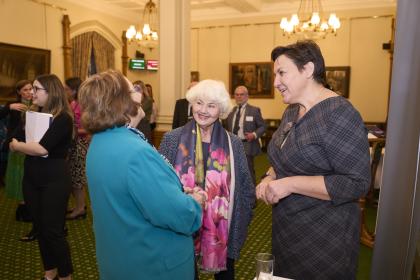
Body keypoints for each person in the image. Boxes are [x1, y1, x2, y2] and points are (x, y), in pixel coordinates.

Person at [256, 40, 371, 279]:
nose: (276, 82)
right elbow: (285, 158)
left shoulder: (340, 114)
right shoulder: (292, 110)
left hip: (324, 240)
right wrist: (270, 176)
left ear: (307, 69)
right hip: (287, 231)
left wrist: (288, 184)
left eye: (281, 73)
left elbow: (356, 183)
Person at [78, 70, 203, 280]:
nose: (140, 93)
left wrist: (175, 192)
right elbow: (181, 217)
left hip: (121, 258)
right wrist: (195, 202)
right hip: (152, 264)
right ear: (121, 101)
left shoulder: (101, 142)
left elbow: (132, 196)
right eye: (133, 89)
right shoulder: (135, 153)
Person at [159, 79, 255, 280]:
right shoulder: (172, 138)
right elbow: (159, 185)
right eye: (199, 102)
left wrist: (241, 221)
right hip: (181, 227)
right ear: (191, 104)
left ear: (220, 110)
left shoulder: (234, 143)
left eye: (211, 106)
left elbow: (246, 188)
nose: (203, 110)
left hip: (222, 230)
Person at [10, 74, 74, 280]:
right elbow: (11, 141)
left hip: (54, 179)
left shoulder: (63, 117)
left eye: (36, 89)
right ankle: (50, 272)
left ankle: (65, 276)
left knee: (53, 231)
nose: (32, 93)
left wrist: (20, 146)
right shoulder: (33, 114)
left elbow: (40, 148)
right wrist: (20, 145)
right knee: (40, 228)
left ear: (50, 91)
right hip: (31, 178)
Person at [0, 80, 33, 223]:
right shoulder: (13, 105)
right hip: (16, 145)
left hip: (31, 146)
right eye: (25, 90)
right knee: (20, 177)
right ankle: (22, 210)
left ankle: (25, 208)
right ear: (19, 92)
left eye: (31, 89)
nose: (29, 92)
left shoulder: (37, 105)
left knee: (28, 177)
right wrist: (9, 107)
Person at [225, 85, 266, 184]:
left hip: (247, 145)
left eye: (241, 94)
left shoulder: (254, 110)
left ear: (247, 96)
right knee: (233, 171)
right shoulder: (230, 111)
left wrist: (254, 134)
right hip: (232, 145)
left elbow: (263, 126)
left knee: (248, 172)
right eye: (237, 94)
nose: (239, 97)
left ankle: (251, 197)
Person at [64, 77, 88, 220]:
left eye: (66, 88)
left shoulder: (82, 105)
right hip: (73, 144)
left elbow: (88, 128)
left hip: (80, 144)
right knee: (73, 178)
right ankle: (80, 205)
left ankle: (80, 209)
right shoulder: (72, 103)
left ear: (74, 90)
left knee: (78, 179)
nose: (64, 91)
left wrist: (71, 130)